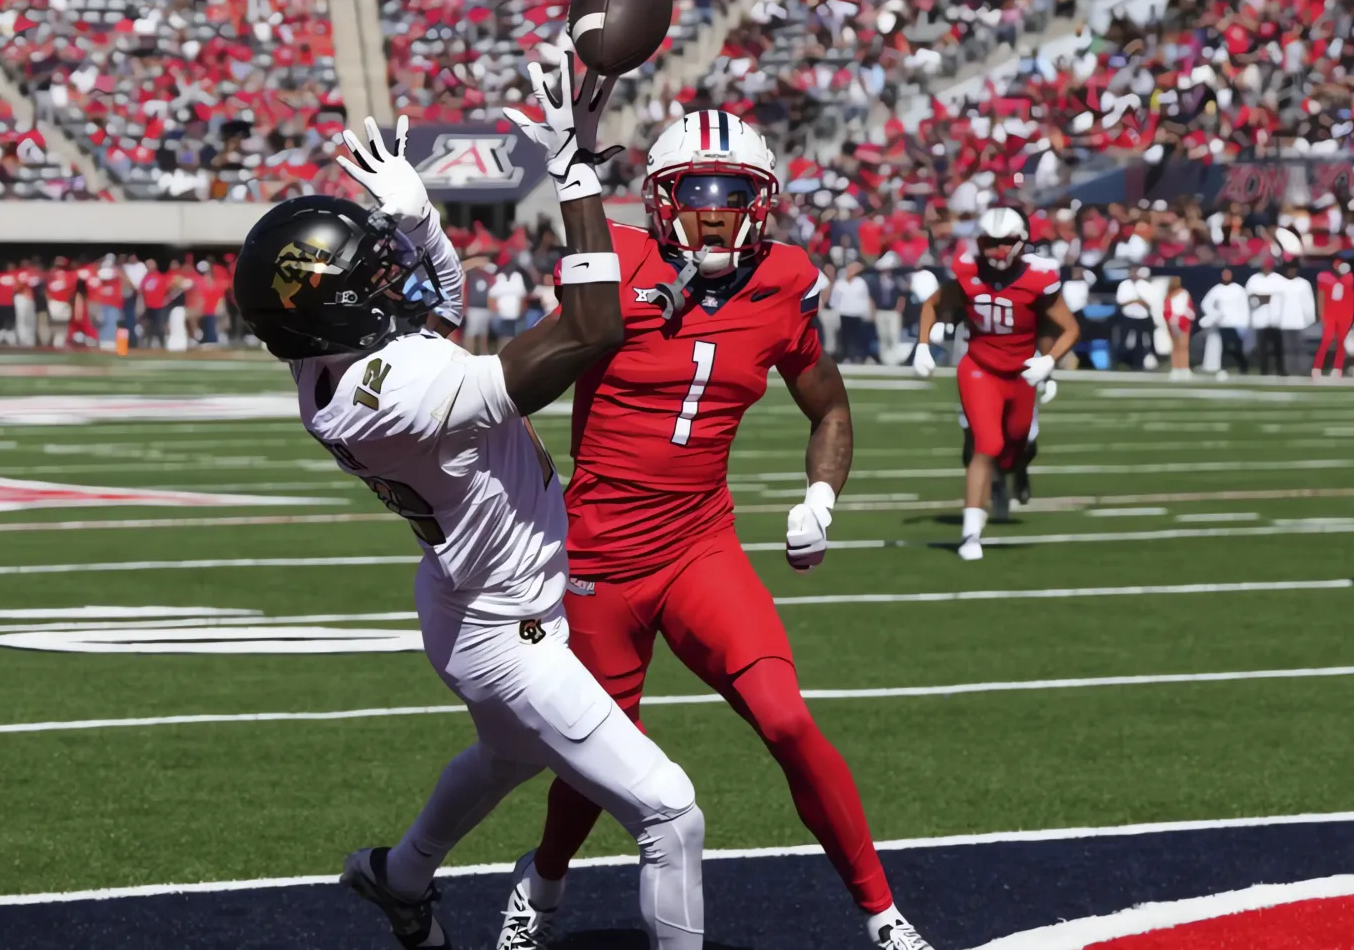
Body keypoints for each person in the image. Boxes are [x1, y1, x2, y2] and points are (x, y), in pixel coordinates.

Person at [497, 108, 933, 950]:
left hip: (700, 543)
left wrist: (821, 497)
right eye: (695, 191)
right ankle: (543, 882)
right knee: (599, 759)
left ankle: (883, 915)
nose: (715, 210)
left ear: (760, 201)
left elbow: (829, 406)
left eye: (734, 192)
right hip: (598, 557)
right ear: (663, 200)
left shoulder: (782, 282)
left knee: (787, 718)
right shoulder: (614, 261)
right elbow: (522, 377)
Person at [279, 94, 706, 949]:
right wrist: (572, 174)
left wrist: (423, 226)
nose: (385, 281)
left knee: (508, 758)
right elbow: (591, 327)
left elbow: (433, 307)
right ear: (341, 313)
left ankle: (398, 878)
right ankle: (400, 877)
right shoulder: (398, 393)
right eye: (368, 280)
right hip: (508, 627)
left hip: (466, 599)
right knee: (671, 813)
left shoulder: (326, 367)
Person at [913, 208, 1078, 562]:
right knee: (985, 444)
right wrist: (922, 345)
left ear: (1021, 243)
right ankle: (971, 534)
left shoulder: (1038, 278)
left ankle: (1007, 477)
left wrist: (1048, 363)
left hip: (1022, 372)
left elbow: (1068, 327)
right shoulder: (968, 271)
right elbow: (933, 304)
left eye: (1005, 243)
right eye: (991, 242)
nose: (998, 250)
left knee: (1017, 444)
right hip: (980, 367)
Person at [1199, 267, 1250, 377]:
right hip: (1223, 324)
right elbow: (1205, 304)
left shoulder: (1239, 289)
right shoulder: (1217, 289)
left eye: (1228, 274)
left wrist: (1245, 324)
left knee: (1236, 348)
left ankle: (1243, 365)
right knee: (1225, 347)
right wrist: (1215, 313)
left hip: (1237, 324)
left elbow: (1244, 307)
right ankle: (1224, 367)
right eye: (1224, 275)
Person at [1312, 257, 1354, 378]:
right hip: (1330, 312)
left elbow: (1352, 298)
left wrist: (1352, 316)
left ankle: (1338, 368)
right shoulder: (1325, 277)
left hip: (1345, 313)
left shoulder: (1349, 278)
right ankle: (1317, 367)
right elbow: (1321, 297)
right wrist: (1322, 314)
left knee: (1341, 341)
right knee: (1326, 340)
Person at [828, 259, 875, 363]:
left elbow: (865, 298)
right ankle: (846, 356)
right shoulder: (840, 284)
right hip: (844, 313)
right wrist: (835, 311)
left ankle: (858, 356)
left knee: (857, 337)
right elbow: (834, 299)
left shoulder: (860, 283)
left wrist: (867, 312)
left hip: (857, 313)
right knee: (845, 337)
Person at [1246, 256, 1285, 375]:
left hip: (1275, 319)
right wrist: (1261, 298)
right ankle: (1264, 370)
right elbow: (1250, 296)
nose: (1267, 268)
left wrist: (1265, 297)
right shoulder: (1254, 279)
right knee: (1262, 347)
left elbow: (1281, 297)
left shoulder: (1279, 279)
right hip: (1260, 318)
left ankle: (1280, 369)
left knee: (1278, 347)